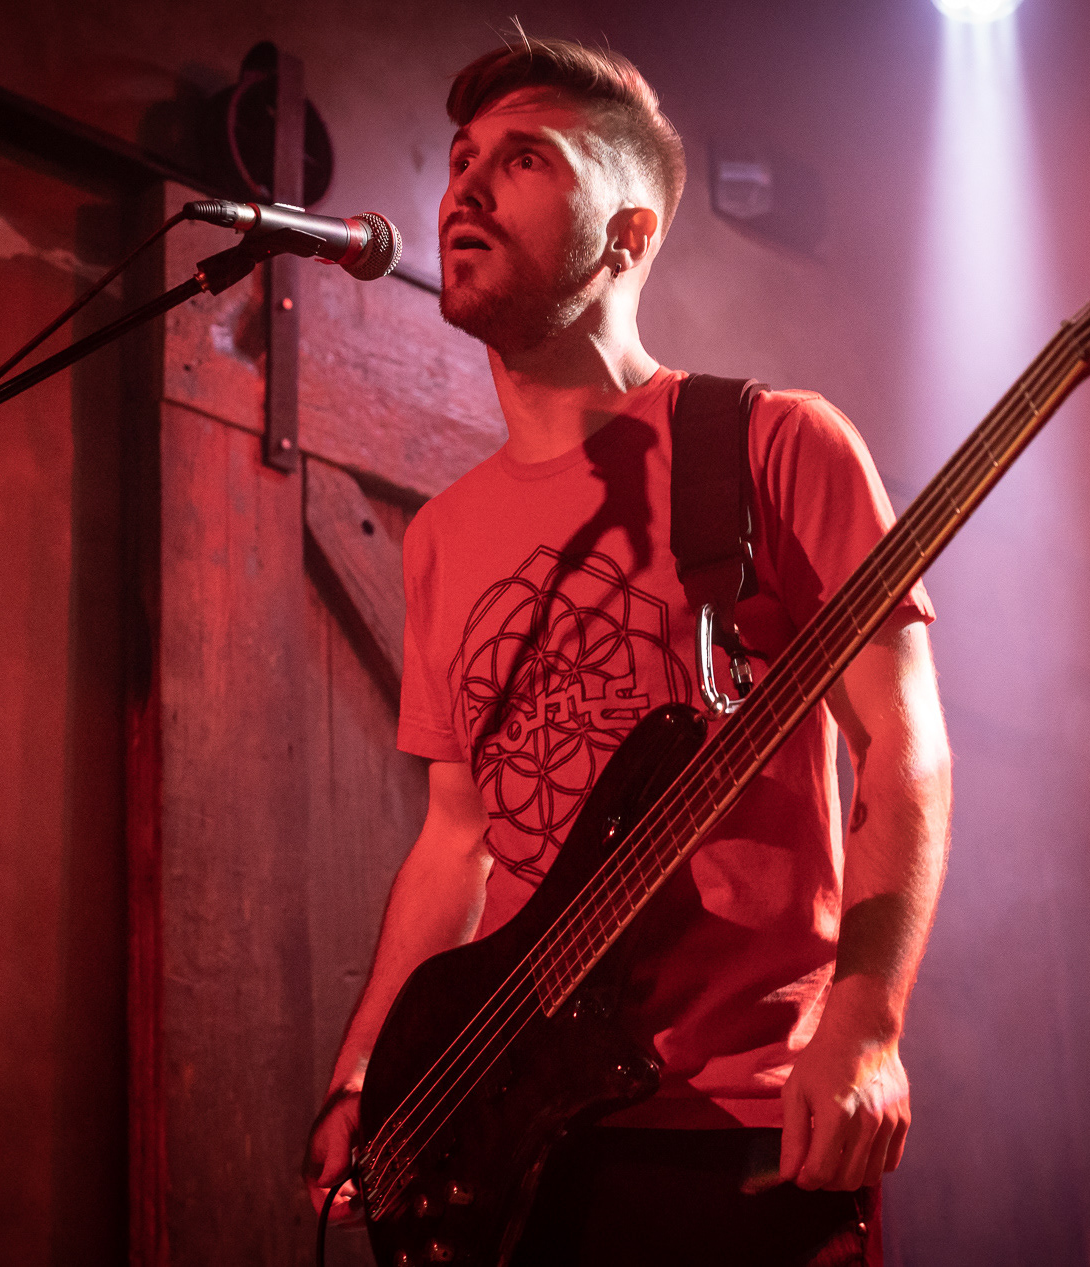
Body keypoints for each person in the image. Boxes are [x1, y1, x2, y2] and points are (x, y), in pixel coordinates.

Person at [305, 32, 952, 1266]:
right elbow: (456, 839)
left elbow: (903, 747)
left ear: (628, 233)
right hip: (515, 1144)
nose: (464, 187)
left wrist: (866, 1022)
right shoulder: (443, 536)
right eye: (461, 158)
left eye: (524, 159)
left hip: (739, 1126)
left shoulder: (772, 444)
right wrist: (361, 1074)